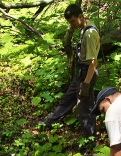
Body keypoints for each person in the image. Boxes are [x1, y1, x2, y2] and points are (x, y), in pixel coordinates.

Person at [37, 4, 100, 138]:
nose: (71, 24)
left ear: (80, 16)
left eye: (72, 21)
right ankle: (48, 122)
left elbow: (93, 62)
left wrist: (86, 85)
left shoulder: (89, 34)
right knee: (67, 99)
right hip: (80, 73)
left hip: (86, 74)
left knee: (84, 109)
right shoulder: (84, 29)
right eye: (69, 22)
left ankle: (89, 139)